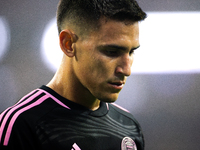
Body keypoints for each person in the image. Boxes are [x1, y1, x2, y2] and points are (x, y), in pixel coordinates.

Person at [0, 0, 146, 149]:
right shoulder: (23, 125)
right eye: (112, 52)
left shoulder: (129, 127)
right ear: (68, 44)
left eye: (131, 51)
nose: (127, 70)